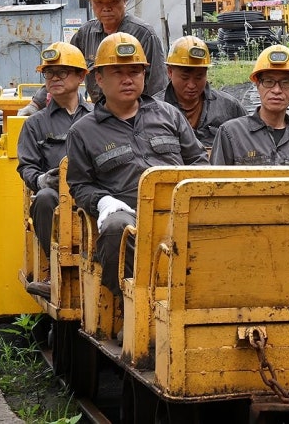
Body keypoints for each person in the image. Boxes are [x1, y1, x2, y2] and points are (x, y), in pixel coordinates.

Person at [66, 32, 208, 297]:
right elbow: (79, 185)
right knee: (115, 228)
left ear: (144, 74)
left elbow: (198, 160)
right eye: (117, 72)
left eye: (135, 71)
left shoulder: (169, 115)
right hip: (129, 213)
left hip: (182, 208)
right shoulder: (83, 132)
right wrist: (104, 202)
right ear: (98, 78)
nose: (128, 79)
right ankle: (129, 305)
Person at [19, 0, 167, 115]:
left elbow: (158, 88)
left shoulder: (144, 35)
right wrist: (36, 104)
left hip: (136, 115)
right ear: (91, 3)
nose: (106, 8)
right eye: (99, 3)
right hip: (100, 115)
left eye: (113, 2)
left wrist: (151, 122)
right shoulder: (85, 34)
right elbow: (61, 68)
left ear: (124, 0)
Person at [16, 42, 93, 297]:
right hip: (58, 201)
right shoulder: (35, 124)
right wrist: (40, 180)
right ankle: (55, 271)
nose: (54, 78)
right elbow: (26, 167)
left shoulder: (98, 117)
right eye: (49, 73)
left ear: (81, 76)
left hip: (92, 194)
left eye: (62, 72)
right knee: (46, 198)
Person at [210, 44, 289, 166]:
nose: (276, 90)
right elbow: (214, 183)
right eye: (269, 82)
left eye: (285, 82)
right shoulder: (231, 134)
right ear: (257, 85)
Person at [153, 36, 247, 148]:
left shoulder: (229, 106)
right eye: (185, 77)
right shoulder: (154, 110)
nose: (192, 85)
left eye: (199, 77)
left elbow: (250, 139)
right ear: (169, 72)